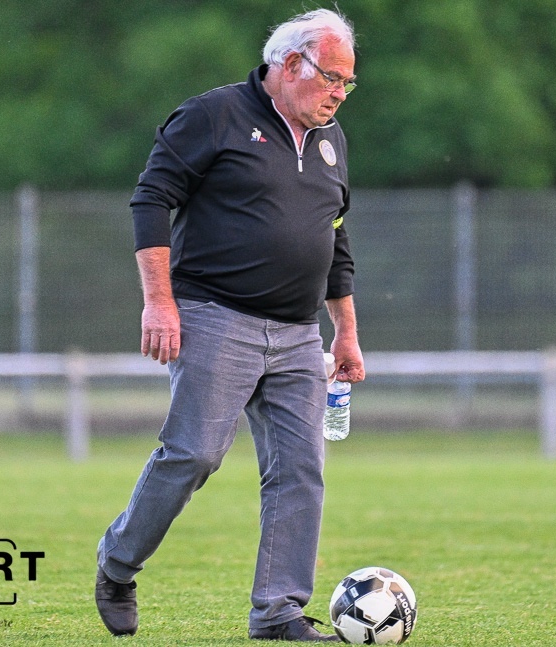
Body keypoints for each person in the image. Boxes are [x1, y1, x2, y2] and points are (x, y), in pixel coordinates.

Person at [94, 8, 365, 642]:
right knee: (194, 454)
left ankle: (278, 613)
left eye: (348, 83)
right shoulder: (213, 115)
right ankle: (118, 564)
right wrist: (159, 303)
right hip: (217, 318)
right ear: (290, 64)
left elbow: (335, 238)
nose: (339, 94)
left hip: (299, 335)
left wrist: (346, 332)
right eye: (331, 78)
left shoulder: (332, 139)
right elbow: (151, 198)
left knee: (300, 471)